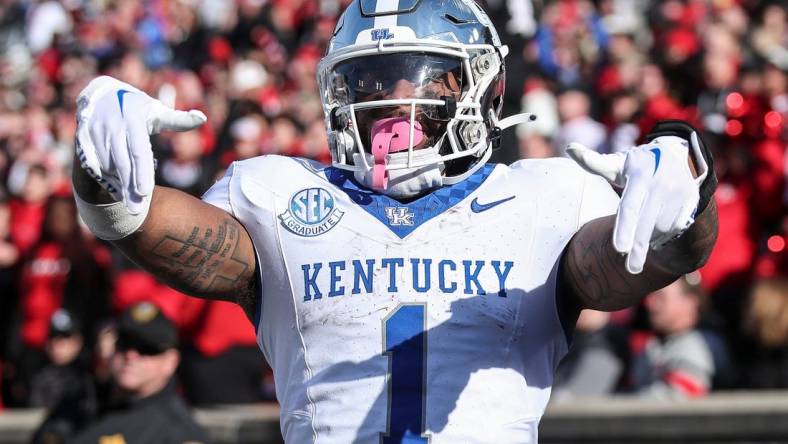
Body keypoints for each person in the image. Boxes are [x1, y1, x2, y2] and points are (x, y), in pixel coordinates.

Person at [70, 1, 719, 442]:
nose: (392, 97)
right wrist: (103, 181)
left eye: (421, 78)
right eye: (371, 80)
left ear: (481, 88)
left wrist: (685, 203)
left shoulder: (543, 196)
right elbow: (157, 229)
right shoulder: (282, 191)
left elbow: (640, 262)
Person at [68, 302, 208, 444]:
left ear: (170, 361)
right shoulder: (82, 401)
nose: (131, 355)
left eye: (146, 348)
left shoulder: (177, 431)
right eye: (124, 343)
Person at [631, 276, 717, 398]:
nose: (650, 304)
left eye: (661, 297)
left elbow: (677, 405)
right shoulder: (656, 344)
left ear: (689, 302)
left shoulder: (697, 346)